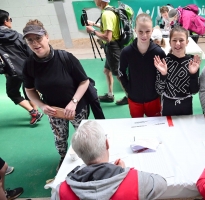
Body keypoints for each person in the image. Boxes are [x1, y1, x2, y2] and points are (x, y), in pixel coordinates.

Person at [22, 19, 90, 171]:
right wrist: (42, 105)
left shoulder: (65, 58)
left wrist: (74, 102)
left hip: (77, 108)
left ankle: (87, 162)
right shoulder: (29, 65)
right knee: (60, 140)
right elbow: (29, 89)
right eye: (30, 40)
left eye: (38, 38)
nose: (35, 43)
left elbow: (84, 82)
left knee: (83, 138)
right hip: (53, 111)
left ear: (46, 36)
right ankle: (63, 160)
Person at [51, 121, 167, 199]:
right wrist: (122, 173)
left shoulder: (60, 191)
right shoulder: (136, 181)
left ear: (78, 153)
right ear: (107, 143)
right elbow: (161, 183)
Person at [0, 9, 43, 125]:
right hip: (27, 69)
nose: (10, 21)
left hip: (11, 72)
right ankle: (36, 111)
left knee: (13, 93)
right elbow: (29, 52)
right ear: (5, 21)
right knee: (29, 90)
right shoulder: (18, 36)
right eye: (10, 19)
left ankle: (33, 112)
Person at [119, 13, 166, 118]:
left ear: (152, 30)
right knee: (137, 128)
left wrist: (158, 90)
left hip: (154, 99)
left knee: (155, 129)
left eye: (147, 31)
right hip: (134, 99)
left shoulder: (159, 53)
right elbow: (121, 72)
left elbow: (164, 75)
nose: (144, 35)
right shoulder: (126, 52)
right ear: (135, 30)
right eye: (140, 31)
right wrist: (128, 89)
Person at [86, 0, 128, 105]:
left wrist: (93, 31)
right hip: (112, 47)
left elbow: (107, 37)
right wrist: (94, 24)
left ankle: (129, 96)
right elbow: (109, 28)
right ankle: (110, 95)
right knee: (106, 70)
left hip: (112, 48)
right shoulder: (110, 10)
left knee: (119, 75)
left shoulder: (106, 14)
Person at [155, 26, 200, 116]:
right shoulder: (164, 62)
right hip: (168, 105)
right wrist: (163, 74)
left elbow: (194, 91)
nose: (178, 43)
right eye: (174, 40)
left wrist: (193, 74)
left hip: (186, 105)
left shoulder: (192, 62)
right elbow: (159, 90)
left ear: (187, 42)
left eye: (181, 40)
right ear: (170, 42)